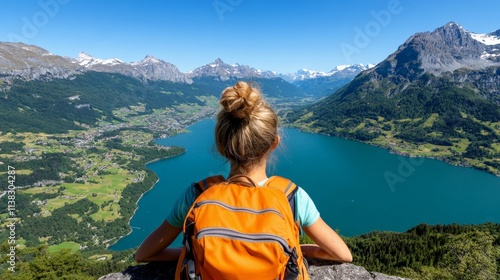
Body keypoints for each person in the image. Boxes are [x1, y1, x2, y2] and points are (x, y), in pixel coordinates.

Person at [135, 81, 352, 265]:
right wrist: (296, 249)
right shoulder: (292, 197)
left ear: (221, 145)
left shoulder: (196, 196)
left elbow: (144, 254)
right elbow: (342, 255)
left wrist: (195, 254)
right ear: (274, 143)